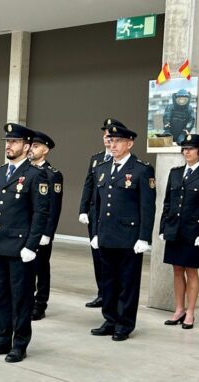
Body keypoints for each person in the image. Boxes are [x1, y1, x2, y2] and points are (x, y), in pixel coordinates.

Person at [0, 123, 49, 363]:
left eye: (14, 141)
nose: (9, 145)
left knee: (21, 298)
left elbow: (41, 213)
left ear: (27, 146)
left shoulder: (35, 174)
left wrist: (32, 245)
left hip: (20, 248)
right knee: (2, 296)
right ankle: (1, 340)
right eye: (7, 142)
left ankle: (19, 344)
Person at [90, 120, 155, 342]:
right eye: (111, 140)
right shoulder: (102, 168)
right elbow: (98, 204)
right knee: (108, 281)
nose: (113, 145)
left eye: (118, 141)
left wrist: (144, 237)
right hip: (106, 235)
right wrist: (96, 232)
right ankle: (110, 319)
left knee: (127, 283)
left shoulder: (141, 169)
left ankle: (124, 324)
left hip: (129, 237)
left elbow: (147, 206)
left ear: (130, 143)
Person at [159, 134, 199, 330]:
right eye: (184, 149)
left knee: (191, 271)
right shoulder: (175, 173)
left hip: (193, 231)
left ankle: (190, 312)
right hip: (174, 229)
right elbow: (167, 203)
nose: (186, 152)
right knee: (177, 269)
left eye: (190, 148)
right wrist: (163, 228)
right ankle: (179, 309)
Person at [28, 131, 64, 321]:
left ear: (45, 149)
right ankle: (26, 300)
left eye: (36, 146)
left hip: (41, 230)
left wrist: (47, 233)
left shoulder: (53, 175)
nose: (31, 149)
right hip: (24, 230)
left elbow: (54, 207)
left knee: (41, 268)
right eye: (30, 145)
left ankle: (40, 304)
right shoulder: (24, 171)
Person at [78, 119, 114, 308]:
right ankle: (101, 293)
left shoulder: (120, 160)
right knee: (97, 255)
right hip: (94, 214)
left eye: (111, 136)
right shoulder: (97, 158)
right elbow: (88, 185)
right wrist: (83, 209)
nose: (108, 140)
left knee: (109, 258)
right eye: (105, 136)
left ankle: (110, 295)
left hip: (109, 216)